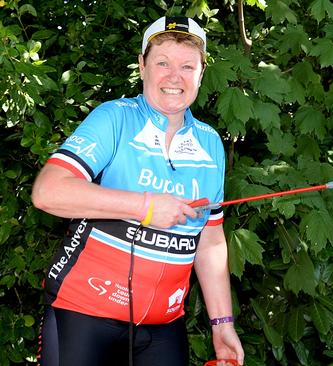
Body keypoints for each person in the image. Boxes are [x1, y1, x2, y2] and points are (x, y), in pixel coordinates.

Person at [32, 16, 244, 366]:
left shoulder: (210, 143)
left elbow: (210, 240)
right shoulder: (114, 118)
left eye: (187, 66)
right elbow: (48, 192)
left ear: (201, 74)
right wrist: (144, 206)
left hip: (162, 327)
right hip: (84, 312)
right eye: (163, 62)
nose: (174, 76)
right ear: (142, 65)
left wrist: (222, 324)